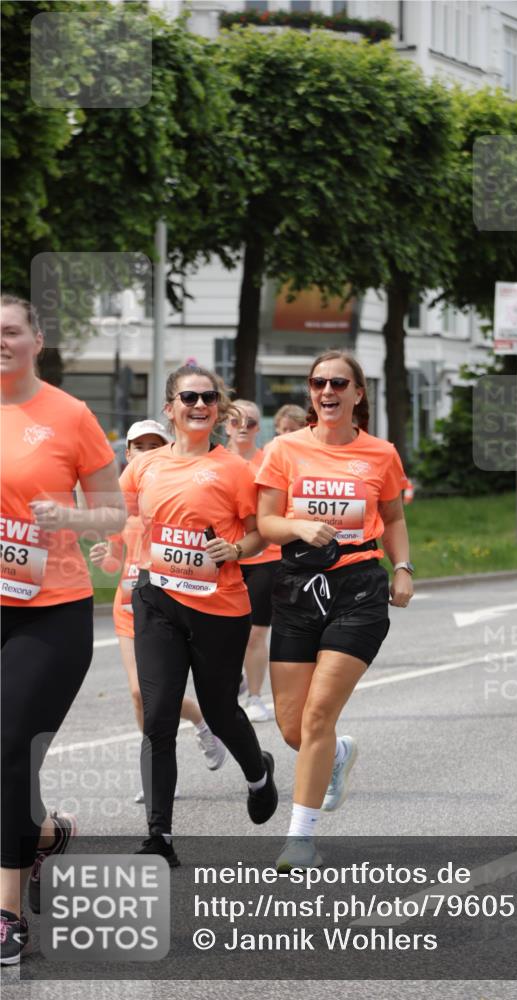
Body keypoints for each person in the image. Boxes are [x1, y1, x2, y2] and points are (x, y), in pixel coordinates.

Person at [1, 295, 125, 964]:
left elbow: (114, 514)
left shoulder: (68, 415)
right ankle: (44, 835)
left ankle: (6, 914)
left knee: (7, 748)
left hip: (48, 609)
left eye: (11, 331)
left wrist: (68, 518)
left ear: (36, 341)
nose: (0, 341)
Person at [256, 350, 413, 870]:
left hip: (359, 588)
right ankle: (337, 756)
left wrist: (404, 567)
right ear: (311, 391)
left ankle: (300, 837)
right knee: (292, 727)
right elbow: (266, 521)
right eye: (319, 382)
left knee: (320, 713)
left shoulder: (380, 454)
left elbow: (391, 517)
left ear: (357, 393)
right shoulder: (284, 449)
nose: (328, 391)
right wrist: (299, 526)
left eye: (339, 383)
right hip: (298, 586)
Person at [121, 365, 278, 867]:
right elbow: (123, 514)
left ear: (218, 407)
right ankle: (159, 837)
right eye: (188, 396)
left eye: (208, 396)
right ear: (170, 408)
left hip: (218, 608)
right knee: (159, 713)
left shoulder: (234, 467)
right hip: (157, 601)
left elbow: (260, 534)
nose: (199, 403)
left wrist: (234, 548)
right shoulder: (145, 466)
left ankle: (258, 775)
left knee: (219, 711)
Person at [89, 419, 227, 802]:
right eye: (140, 445)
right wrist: (106, 557)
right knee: (138, 693)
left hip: (170, 608)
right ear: (128, 453)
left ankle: (200, 724)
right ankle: (156, 769)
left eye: (156, 444)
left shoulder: (175, 497)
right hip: (128, 608)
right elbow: (116, 561)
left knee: (159, 696)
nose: (147, 450)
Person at [225, 401, 279, 723]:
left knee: (256, 633)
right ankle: (236, 683)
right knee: (227, 633)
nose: (243, 426)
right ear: (226, 425)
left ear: (259, 427)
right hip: (225, 556)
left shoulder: (267, 462)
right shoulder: (214, 459)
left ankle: (256, 697)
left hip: (265, 556)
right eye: (235, 421)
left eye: (251, 421)